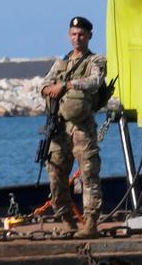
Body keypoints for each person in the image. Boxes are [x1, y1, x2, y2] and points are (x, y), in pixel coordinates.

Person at [40, 16, 107, 238]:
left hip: (82, 127)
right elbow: (44, 84)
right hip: (59, 127)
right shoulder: (62, 61)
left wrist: (67, 85)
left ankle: (90, 223)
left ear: (89, 36)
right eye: (73, 34)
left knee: (88, 174)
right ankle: (67, 219)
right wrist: (48, 89)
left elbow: (96, 81)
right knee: (56, 173)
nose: (77, 38)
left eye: (81, 34)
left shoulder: (95, 61)